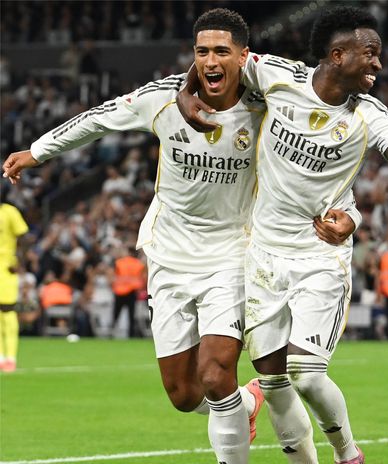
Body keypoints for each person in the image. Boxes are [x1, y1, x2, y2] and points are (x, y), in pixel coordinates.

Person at [3, 9, 357, 464]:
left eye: (221, 52)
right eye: (202, 52)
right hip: (169, 255)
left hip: (232, 255)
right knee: (184, 393)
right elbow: (98, 118)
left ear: (244, 57)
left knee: (214, 375)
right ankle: (249, 403)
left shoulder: (267, 104)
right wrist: (37, 151)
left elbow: (322, 149)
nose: (211, 60)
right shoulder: (165, 99)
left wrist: (350, 211)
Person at [177, 6, 388, 464]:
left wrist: (354, 219)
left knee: (307, 373)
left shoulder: (370, 114)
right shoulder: (277, 76)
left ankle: (347, 453)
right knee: (275, 382)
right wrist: (185, 93)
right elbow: (217, 61)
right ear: (338, 55)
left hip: (320, 256)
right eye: (370, 54)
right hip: (263, 255)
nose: (378, 64)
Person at [0, 187, 28, 373]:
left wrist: (20, 262)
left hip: (6, 268)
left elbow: (24, 237)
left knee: (7, 310)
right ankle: (1, 357)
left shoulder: (9, 211)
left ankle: (11, 357)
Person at [111, 246, 146, 338]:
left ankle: (112, 333)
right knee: (131, 315)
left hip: (119, 291)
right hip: (132, 291)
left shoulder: (119, 262)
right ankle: (131, 335)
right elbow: (142, 278)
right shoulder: (139, 264)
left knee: (116, 314)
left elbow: (114, 276)